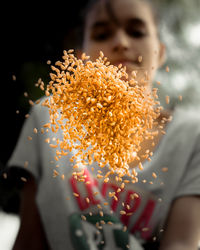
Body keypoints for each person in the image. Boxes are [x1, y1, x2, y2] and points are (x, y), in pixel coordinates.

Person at [6, 0, 200, 249]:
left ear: (160, 52)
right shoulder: (50, 119)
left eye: (136, 32)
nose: (121, 42)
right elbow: (29, 240)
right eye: (102, 34)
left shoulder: (190, 136)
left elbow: (182, 243)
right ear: (79, 58)